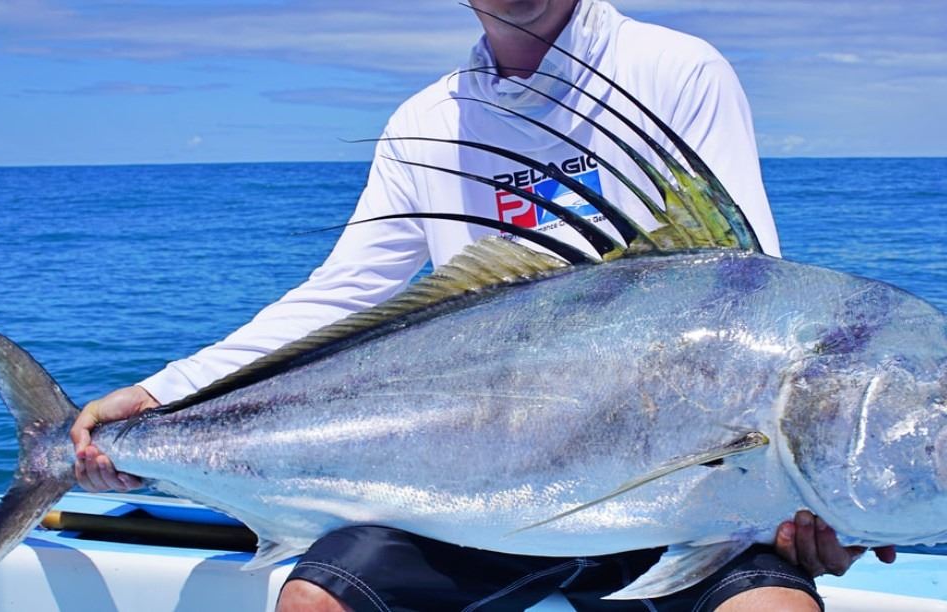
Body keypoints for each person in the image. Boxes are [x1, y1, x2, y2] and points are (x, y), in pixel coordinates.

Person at [71, 1, 895, 610]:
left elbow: (749, 294)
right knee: (314, 601)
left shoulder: (672, 68)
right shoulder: (427, 119)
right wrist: (159, 394)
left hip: (679, 493)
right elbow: (341, 292)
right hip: (478, 497)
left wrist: (831, 490)